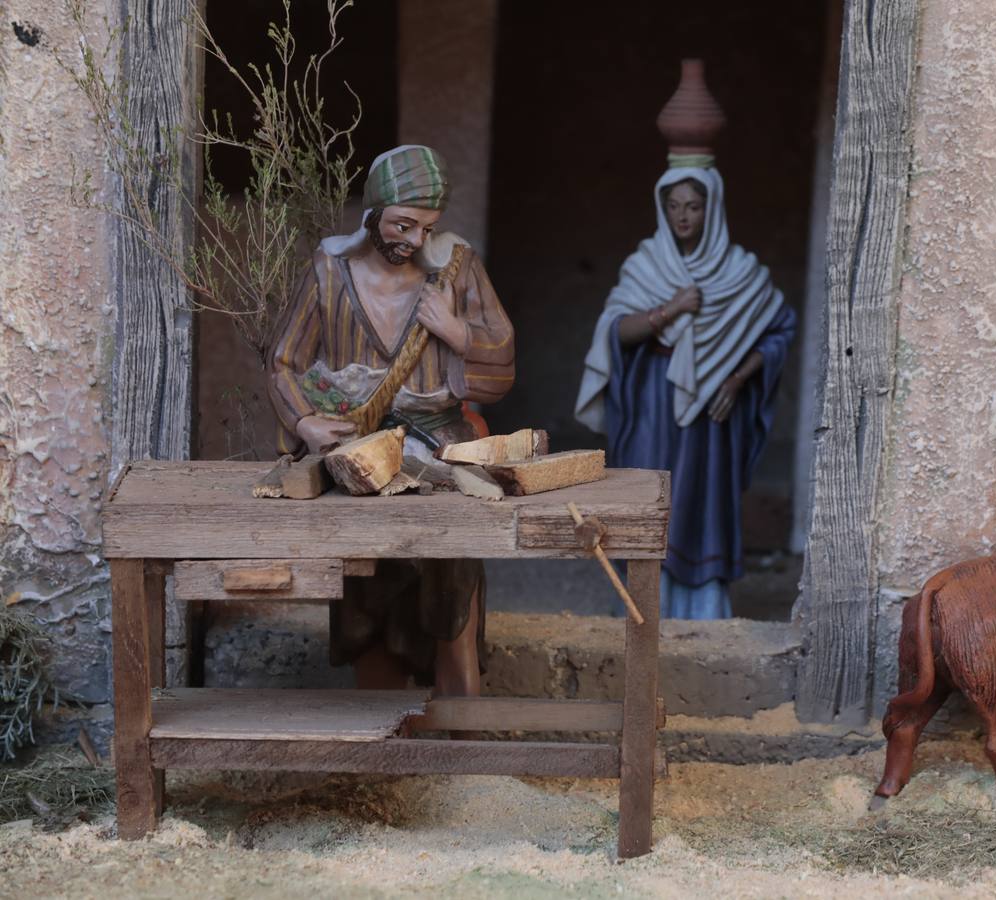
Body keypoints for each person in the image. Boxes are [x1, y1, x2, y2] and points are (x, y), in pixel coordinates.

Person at [267, 144, 514, 694]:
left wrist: (454, 330)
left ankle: (463, 739)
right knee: (368, 598)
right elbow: (285, 361)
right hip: (359, 452)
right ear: (373, 216)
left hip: (442, 450)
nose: (415, 240)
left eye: (427, 228)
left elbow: (501, 362)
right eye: (404, 224)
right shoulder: (330, 275)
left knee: (450, 595)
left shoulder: (456, 269)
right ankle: (381, 739)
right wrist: (306, 423)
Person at [575, 64, 795, 619]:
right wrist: (672, 308)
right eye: (673, 207)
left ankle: (701, 612)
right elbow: (613, 332)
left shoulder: (741, 271)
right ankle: (641, 608)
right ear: (661, 207)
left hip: (709, 418)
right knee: (646, 499)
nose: (683, 218)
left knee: (700, 503)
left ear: (713, 207)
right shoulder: (646, 264)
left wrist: (736, 376)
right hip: (653, 400)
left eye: (693, 207)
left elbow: (779, 329)